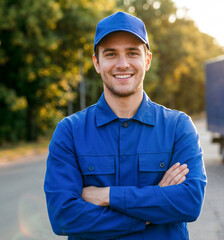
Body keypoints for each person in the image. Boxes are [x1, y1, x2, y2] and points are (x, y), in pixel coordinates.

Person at [44, 11, 207, 240]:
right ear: (97, 63)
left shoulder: (178, 127)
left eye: (132, 53)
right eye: (111, 54)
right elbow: (63, 216)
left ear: (147, 60)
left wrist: (107, 196)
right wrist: (152, 210)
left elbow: (189, 203)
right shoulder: (69, 132)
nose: (122, 64)